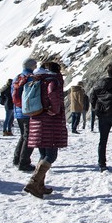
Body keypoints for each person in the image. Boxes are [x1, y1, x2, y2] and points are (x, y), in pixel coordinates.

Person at [23, 62, 68, 199]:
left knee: (43, 154)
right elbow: (53, 95)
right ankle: (33, 182)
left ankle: (39, 186)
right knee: (51, 155)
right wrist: (55, 110)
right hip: (49, 123)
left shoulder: (38, 80)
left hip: (37, 120)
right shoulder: (52, 80)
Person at [12, 58, 37, 171]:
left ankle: (16, 159)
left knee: (23, 136)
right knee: (30, 138)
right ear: (31, 66)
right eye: (35, 65)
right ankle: (24, 162)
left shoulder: (16, 78)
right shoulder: (31, 78)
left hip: (18, 111)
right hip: (28, 111)